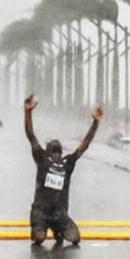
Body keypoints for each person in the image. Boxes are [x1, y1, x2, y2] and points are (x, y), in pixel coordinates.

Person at [24, 94, 102, 245]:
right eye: (53, 152)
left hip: (59, 213)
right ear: (48, 153)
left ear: (61, 152)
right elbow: (31, 135)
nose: (56, 155)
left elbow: (84, 145)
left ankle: (57, 228)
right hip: (40, 212)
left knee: (74, 238)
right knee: (40, 238)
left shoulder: (68, 163)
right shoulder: (42, 160)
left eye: (58, 152)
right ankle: (40, 228)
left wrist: (95, 123)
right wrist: (28, 112)